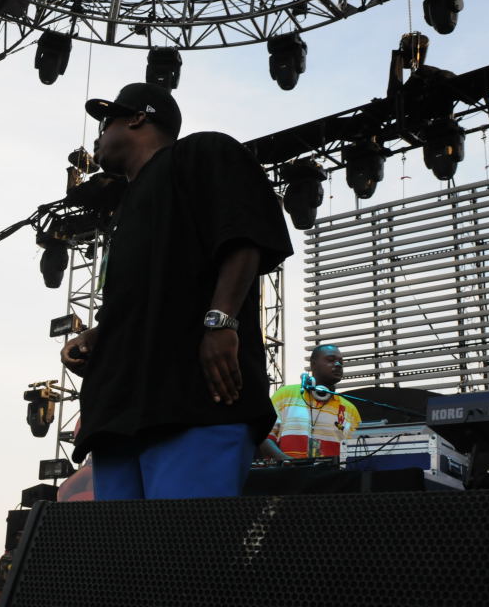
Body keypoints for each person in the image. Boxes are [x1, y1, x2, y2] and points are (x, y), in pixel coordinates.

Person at [61, 83, 293, 501]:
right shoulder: (124, 208)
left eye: (105, 122)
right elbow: (148, 296)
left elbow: (244, 236)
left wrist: (221, 321)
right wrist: (98, 337)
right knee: (118, 543)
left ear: (137, 117)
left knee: (183, 540)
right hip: (120, 415)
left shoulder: (201, 152)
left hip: (194, 402)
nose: (98, 137)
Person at [261, 344, 361, 460]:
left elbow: (357, 452)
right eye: (331, 360)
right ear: (313, 364)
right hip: (287, 470)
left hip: (331, 472)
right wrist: (288, 463)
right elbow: (264, 437)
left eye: (341, 362)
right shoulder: (285, 395)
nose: (338, 364)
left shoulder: (350, 410)